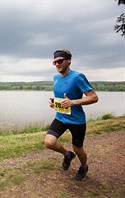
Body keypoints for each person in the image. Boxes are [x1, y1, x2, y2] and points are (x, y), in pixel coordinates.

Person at [45, 49, 98, 181]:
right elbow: (62, 96)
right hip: (60, 117)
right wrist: (54, 102)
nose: (57, 64)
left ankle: (83, 166)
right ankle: (68, 155)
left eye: (60, 61)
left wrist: (73, 102)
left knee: (78, 148)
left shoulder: (77, 77)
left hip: (76, 120)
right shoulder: (56, 77)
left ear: (68, 61)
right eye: (55, 62)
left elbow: (93, 97)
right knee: (49, 142)